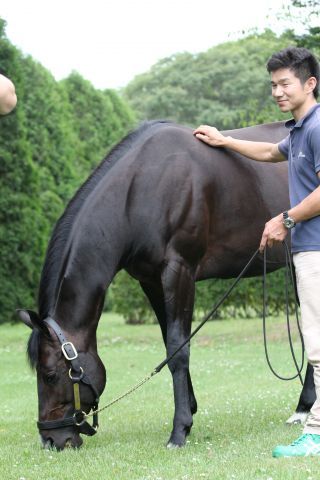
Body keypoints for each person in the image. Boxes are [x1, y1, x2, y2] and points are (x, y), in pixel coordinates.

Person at [194, 46, 320, 458]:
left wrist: (285, 219)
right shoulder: (300, 131)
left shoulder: (318, 127)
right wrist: (225, 140)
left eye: (285, 83)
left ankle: (315, 433)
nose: (277, 92)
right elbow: (269, 153)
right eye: (273, 85)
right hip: (308, 247)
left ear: (309, 83)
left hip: (316, 247)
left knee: (317, 345)